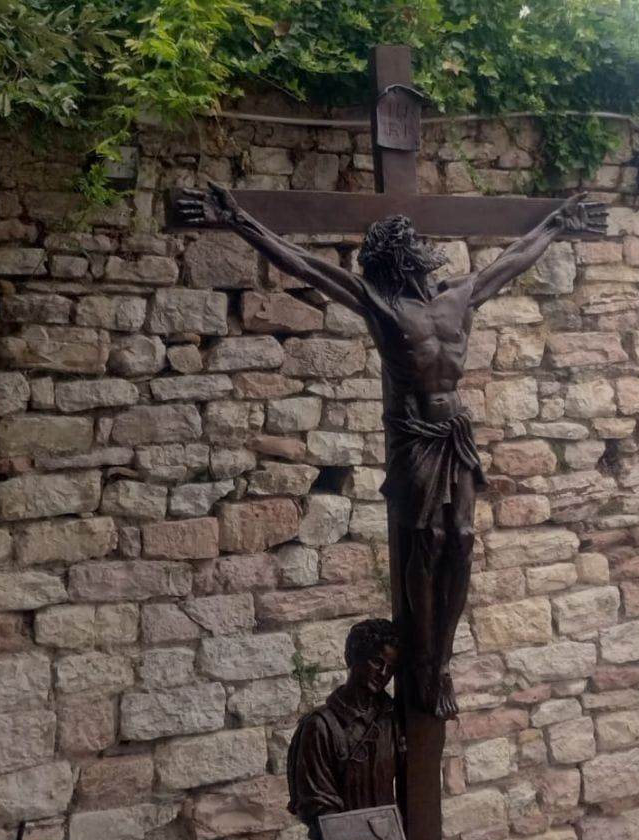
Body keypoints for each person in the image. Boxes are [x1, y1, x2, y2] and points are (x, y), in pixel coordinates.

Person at [174, 184, 607, 718]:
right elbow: (304, 265)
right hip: (415, 435)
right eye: (411, 247)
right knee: (428, 540)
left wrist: (558, 223)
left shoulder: (460, 295)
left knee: (462, 539)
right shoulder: (379, 304)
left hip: (454, 431)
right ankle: (423, 658)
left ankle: (441, 659)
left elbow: (513, 259)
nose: (421, 251)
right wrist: (239, 220)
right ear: (399, 258)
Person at [271, 618, 406, 840]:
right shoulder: (321, 726)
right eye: (375, 662)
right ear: (352, 657)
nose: (382, 674)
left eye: (391, 667)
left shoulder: (392, 719)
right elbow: (316, 805)